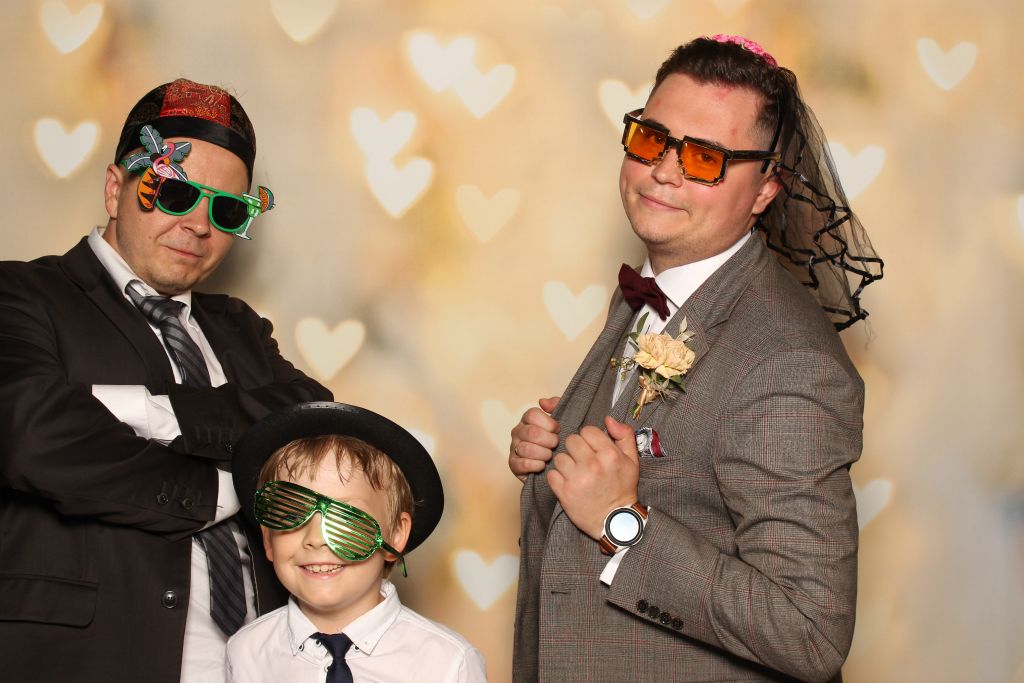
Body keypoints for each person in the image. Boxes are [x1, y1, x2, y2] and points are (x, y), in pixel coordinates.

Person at [509, 35, 884, 682]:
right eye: (653, 138)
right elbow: (660, 458)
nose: (665, 171)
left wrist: (622, 523)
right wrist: (554, 449)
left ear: (765, 188)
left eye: (706, 157)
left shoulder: (790, 362)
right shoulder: (650, 291)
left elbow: (810, 631)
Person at [0, 79, 332, 681]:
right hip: (91, 660)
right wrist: (223, 488)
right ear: (115, 189)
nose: (199, 225)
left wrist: (157, 414)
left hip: (257, 662)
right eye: (176, 193)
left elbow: (313, 417)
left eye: (225, 209)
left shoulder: (238, 327)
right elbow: (34, 436)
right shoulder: (21, 295)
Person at [226, 401, 487, 682]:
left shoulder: (449, 664)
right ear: (268, 537)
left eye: (346, 518)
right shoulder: (246, 653)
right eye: (291, 514)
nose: (315, 539)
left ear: (396, 535)